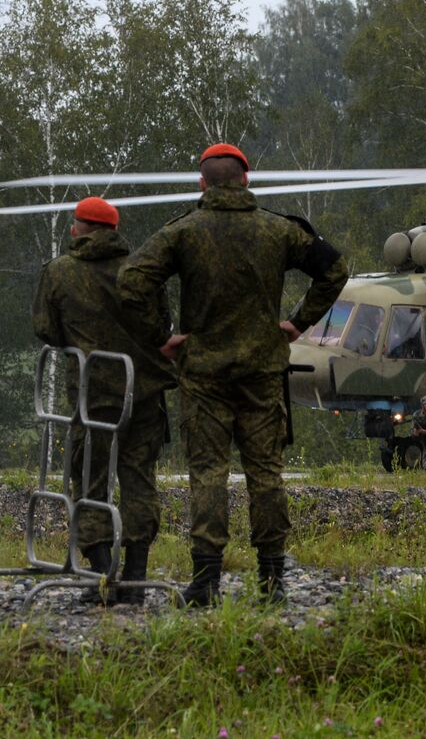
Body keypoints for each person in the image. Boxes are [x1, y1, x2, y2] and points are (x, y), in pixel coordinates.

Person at [118, 144, 349, 606]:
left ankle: (205, 582)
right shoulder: (279, 231)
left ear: (202, 184)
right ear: (246, 181)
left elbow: (132, 282)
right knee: (266, 473)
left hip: (204, 373)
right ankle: (272, 581)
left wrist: (161, 336)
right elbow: (336, 269)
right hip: (263, 372)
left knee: (207, 473)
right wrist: (298, 323)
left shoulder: (183, 232)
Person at [32, 197, 176, 606]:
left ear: (79, 228)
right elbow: (161, 326)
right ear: (113, 230)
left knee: (90, 482)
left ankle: (99, 576)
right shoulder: (142, 271)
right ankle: (135, 579)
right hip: (144, 394)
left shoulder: (59, 272)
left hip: (93, 396)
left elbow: (46, 329)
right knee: (139, 481)